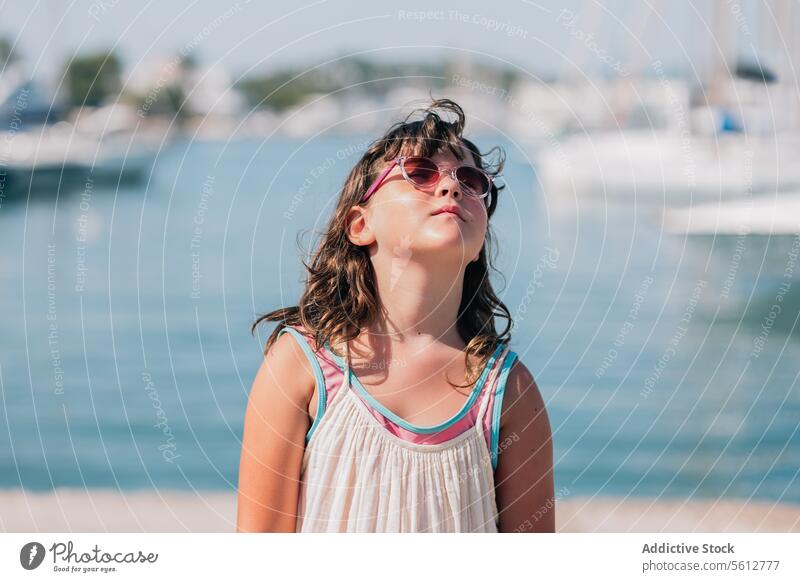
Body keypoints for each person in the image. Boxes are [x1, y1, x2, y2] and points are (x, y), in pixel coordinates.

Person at [237, 99, 554, 533]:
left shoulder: (508, 391)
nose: (451, 187)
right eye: (420, 173)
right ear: (359, 225)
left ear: (479, 241)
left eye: (471, 179)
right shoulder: (300, 366)